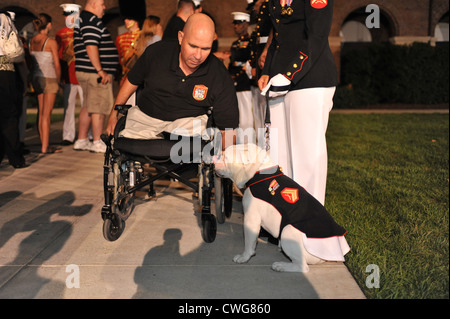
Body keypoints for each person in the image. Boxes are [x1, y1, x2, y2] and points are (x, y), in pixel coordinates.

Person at [106, 13, 238, 151]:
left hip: (189, 130)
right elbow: (131, 81)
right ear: (181, 37)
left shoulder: (219, 74)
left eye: (206, 49)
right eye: (193, 46)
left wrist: (225, 159)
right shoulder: (157, 53)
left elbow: (228, 129)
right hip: (145, 121)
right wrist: (113, 115)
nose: (198, 56)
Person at [258, 0, 338, 205]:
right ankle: (284, 214)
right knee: (277, 152)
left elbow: (317, 36)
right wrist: (268, 70)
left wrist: (290, 74)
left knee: (306, 155)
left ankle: (308, 220)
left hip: (310, 78)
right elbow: (277, 36)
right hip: (279, 79)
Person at [73, 0, 119, 153]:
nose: (104, 8)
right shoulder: (91, 20)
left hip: (85, 70)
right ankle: (98, 141)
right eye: (102, 4)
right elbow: (91, 45)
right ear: (93, 3)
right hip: (94, 73)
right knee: (98, 106)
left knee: (88, 106)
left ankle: (82, 139)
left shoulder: (82, 19)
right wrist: (101, 70)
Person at [29, 13, 62, 154]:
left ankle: (44, 143)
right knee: (46, 114)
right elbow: (56, 64)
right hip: (49, 78)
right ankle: (45, 147)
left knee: (41, 113)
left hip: (36, 78)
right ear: (48, 25)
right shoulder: (51, 42)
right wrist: (59, 81)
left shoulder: (32, 41)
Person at [0, 11, 26, 168]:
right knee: (9, 116)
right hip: (4, 70)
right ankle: (15, 157)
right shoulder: (4, 19)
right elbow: (15, 47)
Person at [56, 3, 83, 146]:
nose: (68, 18)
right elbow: (60, 57)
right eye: (67, 15)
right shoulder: (60, 34)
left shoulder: (83, 31)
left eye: (71, 15)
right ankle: (68, 135)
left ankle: (89, 134)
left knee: (87, 106)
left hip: (83, 73)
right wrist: (60, 77)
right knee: (68, 107)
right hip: (68, 75)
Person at [228, 12, 254, 143]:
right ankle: (239, 144)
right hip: (234, 82)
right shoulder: (235, 43)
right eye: (235, 23)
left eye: (238, 23)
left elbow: (249, 62)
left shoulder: (250, 42)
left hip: (244, 82)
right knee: (237, 117)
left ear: (246, 24)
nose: (235, 26)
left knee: (246, 118)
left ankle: (248, 144)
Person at [115, 0, 146, 87]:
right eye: (125, 18)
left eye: (129, 19)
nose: (125, 21)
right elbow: (119, 59)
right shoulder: (120, 38)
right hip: (126, 76)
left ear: (135, 19)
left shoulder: (143, 36)